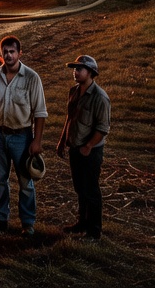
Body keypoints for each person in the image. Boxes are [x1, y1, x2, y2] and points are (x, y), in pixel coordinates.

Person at [0, 35, 47, 237]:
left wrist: (37, 141)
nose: (8, 55)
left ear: (19, 53)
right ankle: (0, 218)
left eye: (12, 51)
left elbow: (40, 112)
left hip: (22, 136)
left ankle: (27, 222)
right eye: (5, 52)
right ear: (1, 53)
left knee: (25, 182)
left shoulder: (32, 78)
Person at [57, 54, 110, 242]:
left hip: (91, 151)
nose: (76, 72)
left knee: (91, 190)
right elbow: (69, 118)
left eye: (80, 69)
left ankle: (94, 231)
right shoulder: (74, 91)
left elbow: (103, 128)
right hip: (75, 148)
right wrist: (63, 140)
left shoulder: (100, 97)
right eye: (74, 68)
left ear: (91, 72)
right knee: (80, 188)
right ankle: (82, 223)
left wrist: (88, 146)